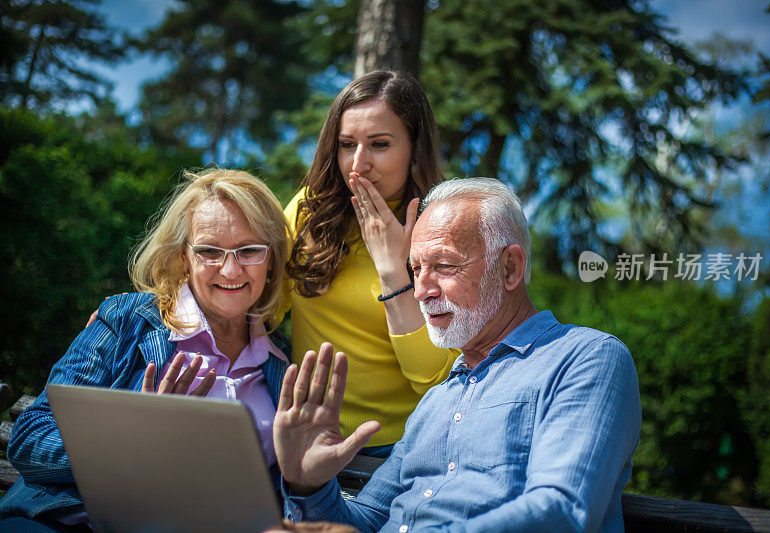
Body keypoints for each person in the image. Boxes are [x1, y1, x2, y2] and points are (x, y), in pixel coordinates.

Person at [273, 178, 642, 532]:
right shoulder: (435, 401)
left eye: (445, 266)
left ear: (510, 268)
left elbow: (560, 513)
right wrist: (309, 485)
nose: (420, 291)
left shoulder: (586, 359)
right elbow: (366, 522)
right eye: (415, 269)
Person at [0, 169, 291, 531]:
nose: (230, 269)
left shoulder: (281, 360)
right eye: (209, 251)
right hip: (66, 521)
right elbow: (31, 437)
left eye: (249, 250)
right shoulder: (127, 319)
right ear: (184, 256)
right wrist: (134, 448)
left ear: (271, 257)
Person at [281, 70, 459, 456]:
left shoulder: (443, 226)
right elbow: (258, 311)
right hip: (308, 436)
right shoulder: (306, 212)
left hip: (405, 447)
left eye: (379, 144)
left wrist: (394, 268)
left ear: (415, 145)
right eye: (347, 144)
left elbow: (433, 379)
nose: (358, 164)